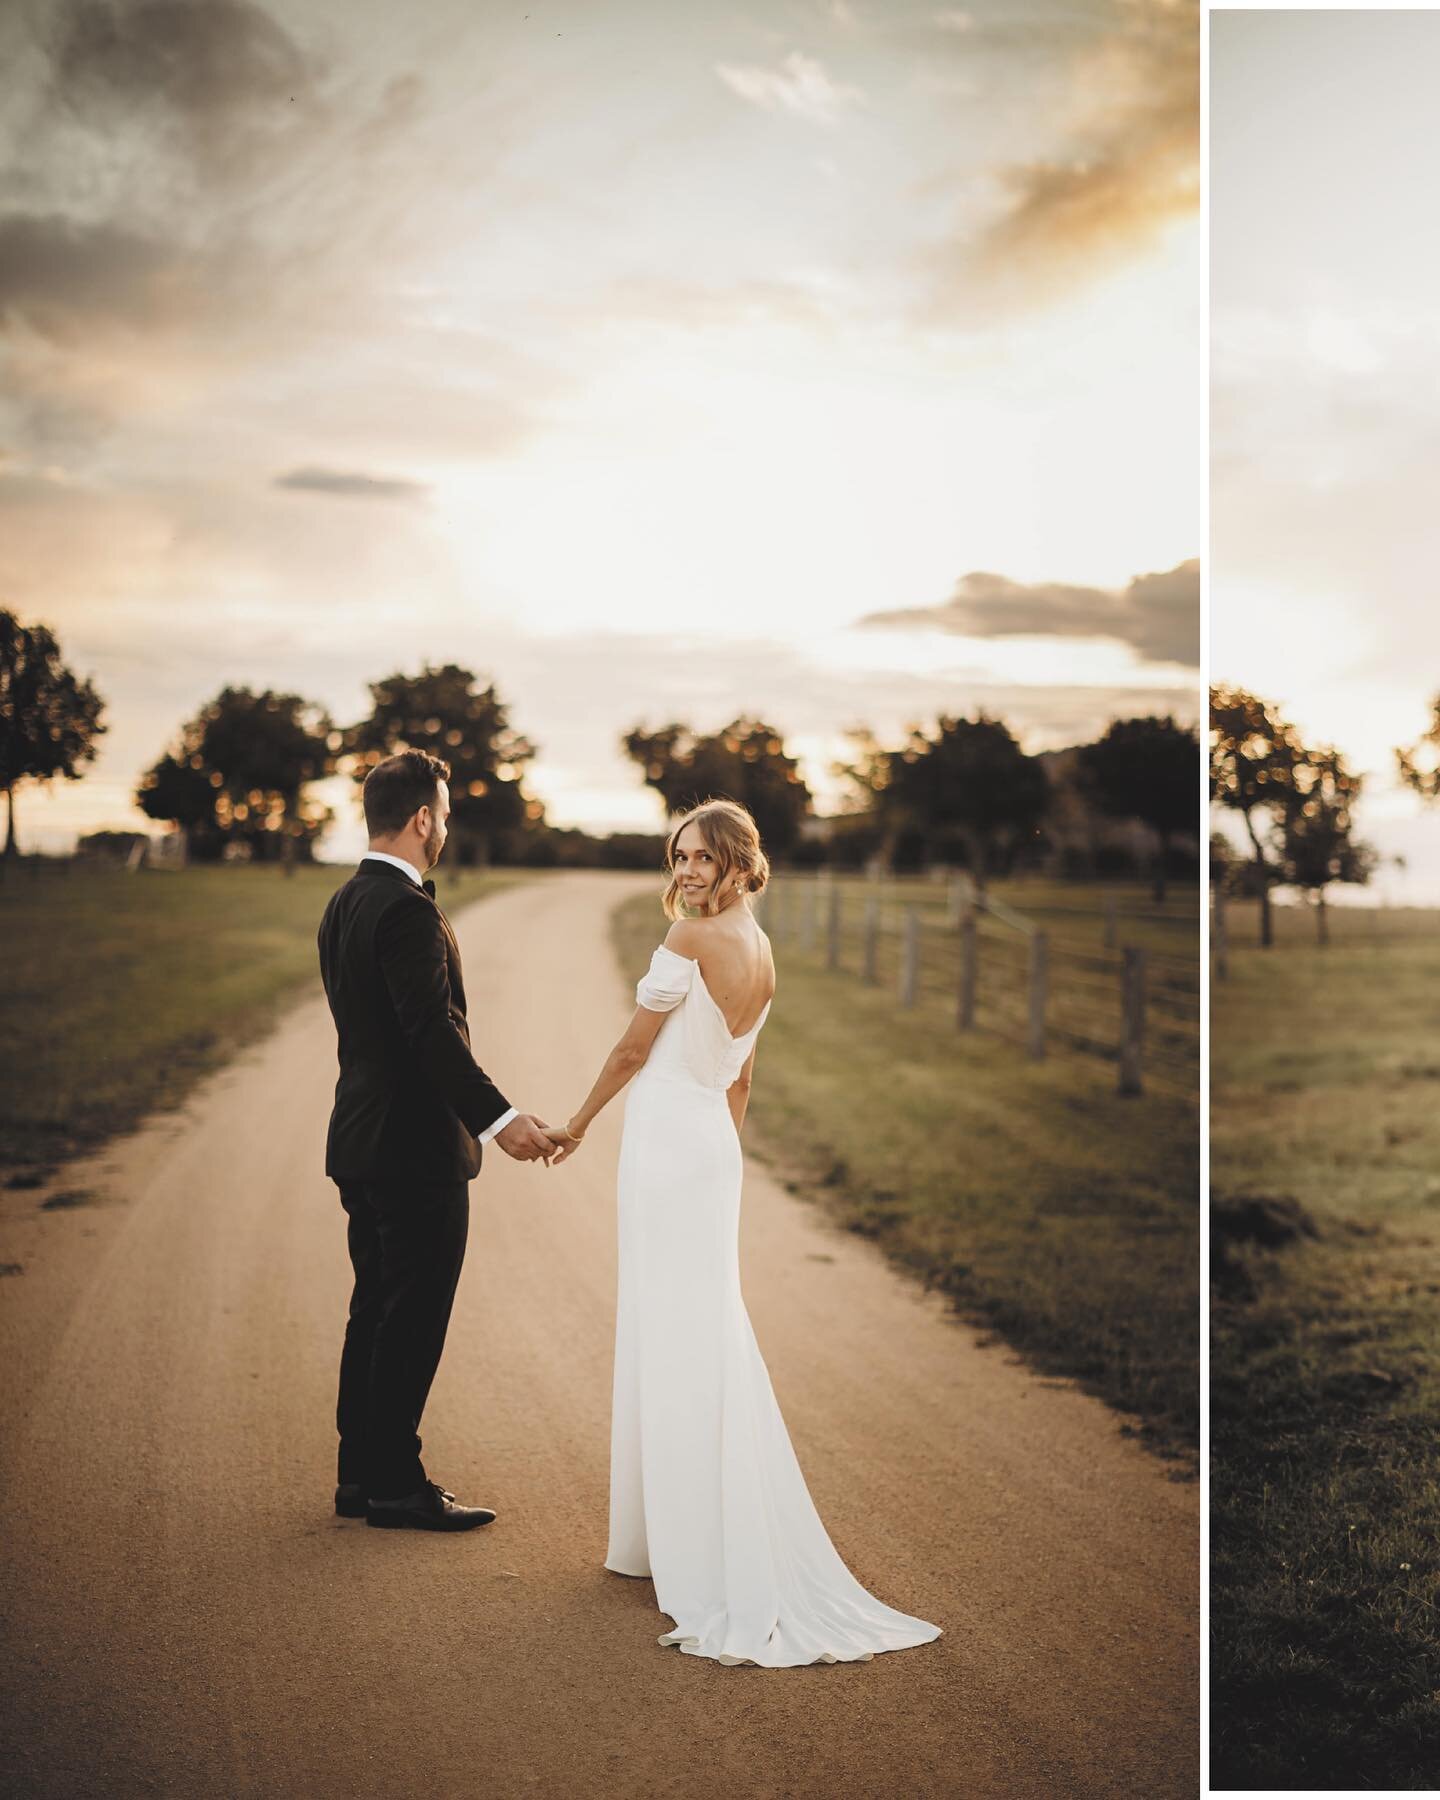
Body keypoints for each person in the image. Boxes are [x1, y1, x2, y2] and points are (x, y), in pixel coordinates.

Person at [545, 799, 942, 1666]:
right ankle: (666, 1535)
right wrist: (720, 1150)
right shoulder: (762, 950)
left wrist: (575, 1124)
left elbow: (628, 1053)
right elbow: (742, 1077)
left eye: (701, 859)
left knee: (674, 1329)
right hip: (708, 1148)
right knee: (698, 1328)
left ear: (736, 863)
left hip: (667, 1146)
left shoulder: (690, 944)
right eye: (679, 857)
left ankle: (687, 1545)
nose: (685, 872)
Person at [317, 749, 555, 1532]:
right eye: (445, 816)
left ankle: (361, 1478)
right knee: (411, 1317)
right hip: (413, 1151)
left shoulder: (344, 904)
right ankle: (394, 1483)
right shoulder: (406, 912)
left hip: (360, 1140)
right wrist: (501, 1119)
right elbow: (432, 1035)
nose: (446, 828)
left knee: (374, 1311)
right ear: (422, 819)